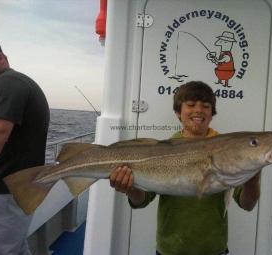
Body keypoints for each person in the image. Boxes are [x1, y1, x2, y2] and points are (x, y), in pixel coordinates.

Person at [110, 81, 261, 255]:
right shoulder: (163, 149)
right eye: (190, 105)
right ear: (178, 113)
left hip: (214, 250)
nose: (198, 110)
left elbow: (247, 204)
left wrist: (254, 177)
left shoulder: (229, 150)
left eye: (206, 106)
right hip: (169, 249)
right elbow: (141, 201)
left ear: (212, 114)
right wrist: (130, 189)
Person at [0, 37, 49, 255]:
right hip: (14, 191)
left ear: (1, 58)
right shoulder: (5, 86)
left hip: (2, 193)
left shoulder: (9, 82)